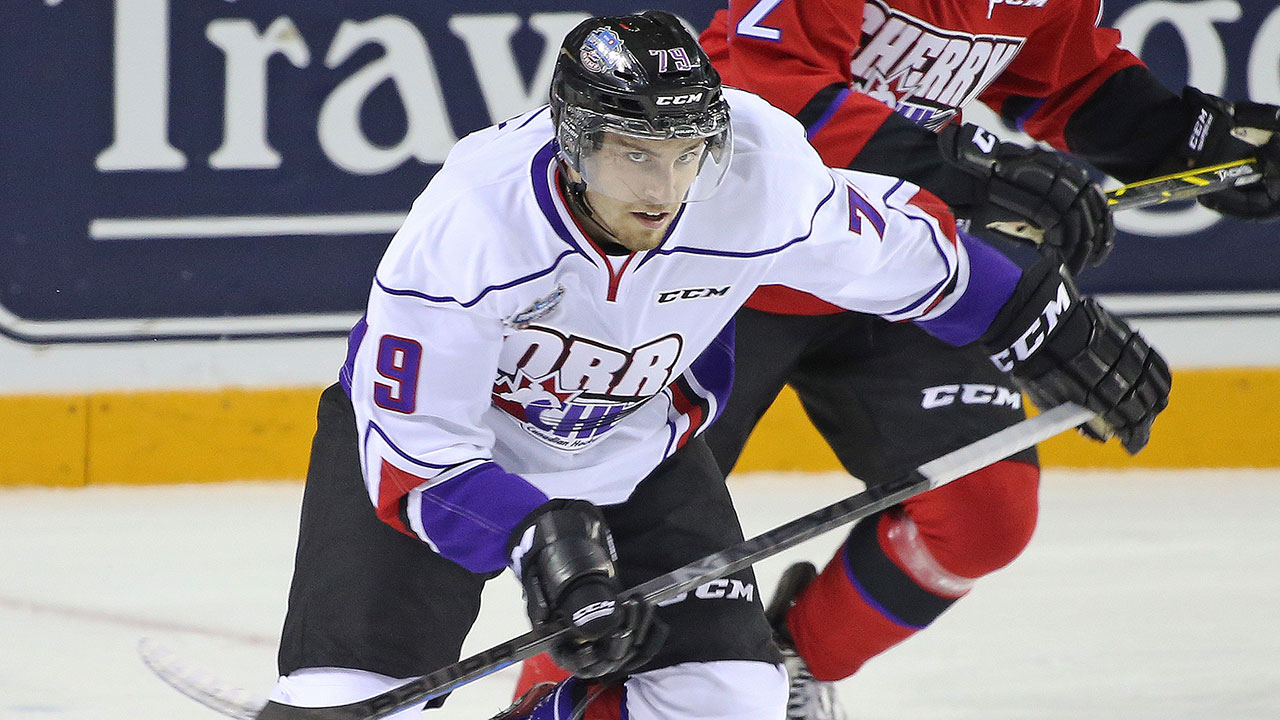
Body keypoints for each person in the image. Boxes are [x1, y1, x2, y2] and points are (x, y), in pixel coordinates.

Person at [259, 11, 1169, 720]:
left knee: (730, 696)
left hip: (634, 447)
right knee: (347, 697)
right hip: (460, 465)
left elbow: (900, 249)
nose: (662, 190)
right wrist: (540, 539)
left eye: (685, 154)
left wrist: (1040, 318)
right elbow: (412, 450)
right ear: (576, 144)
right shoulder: (470, 225)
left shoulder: (755, 176)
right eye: (634, 157)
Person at [511, 2, 1280, 718]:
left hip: (898, 270)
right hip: (729, 277)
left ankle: (785, 665)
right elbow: (758, 89)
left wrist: (1175, 137)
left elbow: (1062, 74)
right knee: (621, 561)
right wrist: (962, 165)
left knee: (986, 513)